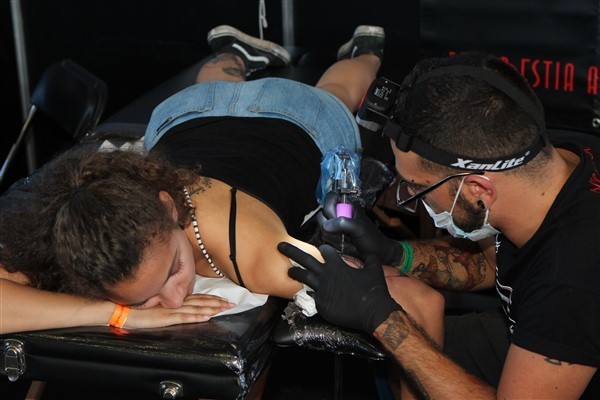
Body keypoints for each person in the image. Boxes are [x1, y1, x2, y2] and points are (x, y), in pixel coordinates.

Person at [0, 22, 445, 357]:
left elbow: (423, 303)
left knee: (339, 89)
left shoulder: (255, 254)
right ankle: (234, 53)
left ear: (167, 205)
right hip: (192, 111)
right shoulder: (87, 236)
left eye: (174, 269)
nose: (174, 300)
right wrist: (119, 314)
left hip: (301, 118)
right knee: (215, 86)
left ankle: (365, 52)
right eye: (147, 297)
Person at [279, 51, 600, 398]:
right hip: (535, 325)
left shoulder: (571, 278)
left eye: (417, 186)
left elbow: (558, 296)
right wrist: (394, 253)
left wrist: (380, 317)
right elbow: (489, 265)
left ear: (478, 190)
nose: (412, 198)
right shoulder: (551, 163)